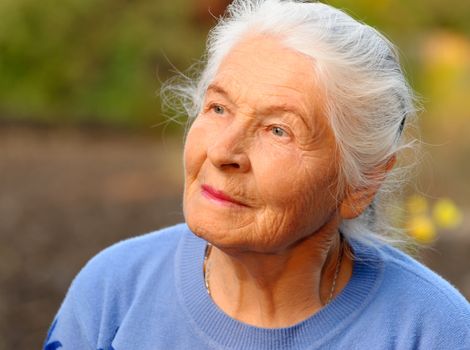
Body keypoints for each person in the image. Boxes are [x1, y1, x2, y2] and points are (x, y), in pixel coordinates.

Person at [44, 1, 470, 349]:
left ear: (361, 183)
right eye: (218, 108)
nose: (223, 151)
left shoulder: (433, 332)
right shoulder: (113, 291)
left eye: (278, 130)